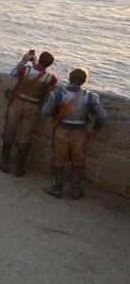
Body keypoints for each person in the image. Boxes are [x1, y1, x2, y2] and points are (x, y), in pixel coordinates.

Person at [41, 67, 107, 199]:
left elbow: (45, 111)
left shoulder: (58, 94)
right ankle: (75, 190)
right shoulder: (90, 97)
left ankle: (56, 189)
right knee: (78, 161)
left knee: (58, 160)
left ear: (70, 78)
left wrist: (57, 115)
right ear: (84, 81)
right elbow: (102, 116)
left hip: (62, 131)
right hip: (80, 133)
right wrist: (95, 129)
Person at [0, 49, 58, 175]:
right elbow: (51, 82)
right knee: (25, 136)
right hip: (33, 106)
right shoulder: (50, 78)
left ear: (39, 59)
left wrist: (25, 59)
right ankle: (19, 168)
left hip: (17, 102)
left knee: (10, 130)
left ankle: (4, 163)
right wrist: (37, 63)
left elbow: (13, 73)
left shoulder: (25, 70)